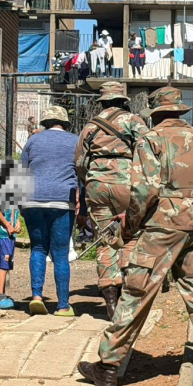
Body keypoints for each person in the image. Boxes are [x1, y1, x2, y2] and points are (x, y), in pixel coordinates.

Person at [78, 87, 193, 386]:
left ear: (155, 113)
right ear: (179, 111)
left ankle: (108, 366)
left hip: (163, 226)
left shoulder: (151, 140)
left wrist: (133, 225)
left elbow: (143, 192)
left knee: (137, 291)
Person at [74, 82, 149, 319]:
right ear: (123, 101)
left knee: (106, 239)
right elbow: (149, 150)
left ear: (103, 102)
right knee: (131, 235)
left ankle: (110, 301)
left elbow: (79, 162)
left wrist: (91, 182)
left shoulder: (90, 127)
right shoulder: (134, 121)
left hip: (97, 186)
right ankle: (129, 293)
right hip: (127, 183)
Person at [20, 106, 79, 316]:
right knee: (61, 255)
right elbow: (82, 171)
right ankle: (63, 305)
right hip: (63, 200)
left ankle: (36, 296)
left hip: (32, 200)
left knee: (38, 248)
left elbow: (22, 172)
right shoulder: (75, 140)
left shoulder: (33, 141)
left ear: (45, 123)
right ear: (64, 122)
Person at [0, 207, 21, 309]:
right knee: (4, 267)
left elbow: (15, 212)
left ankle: (3, 295)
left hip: (10, 237)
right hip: (3, 236)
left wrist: (18, 222)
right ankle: (0, 297)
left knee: (7, 266)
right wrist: (7, 225)